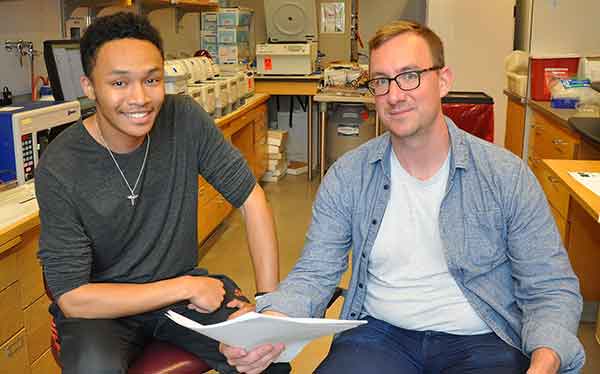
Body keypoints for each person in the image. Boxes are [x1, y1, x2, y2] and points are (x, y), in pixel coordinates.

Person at [221, 20, 585, 374]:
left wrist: (545, 362)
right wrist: (266, 325)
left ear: (443, 81)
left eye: (410, 75)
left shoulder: (506, 176)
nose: (395, 95)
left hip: (482, 338)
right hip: (378, 335)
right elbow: (314, 274)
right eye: (381, 81)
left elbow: (550, 287)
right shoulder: (349, 176)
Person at [36, 12, 289, 374]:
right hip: (103, 310)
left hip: (183, 300)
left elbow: (252, 199)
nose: (140, 98)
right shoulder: (60, 165)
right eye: (119, 83)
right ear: (90, 87)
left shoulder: (184, 119)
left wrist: (266, 307)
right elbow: (75, 298)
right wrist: (184, 287)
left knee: (266, 357)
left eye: (151, 80)